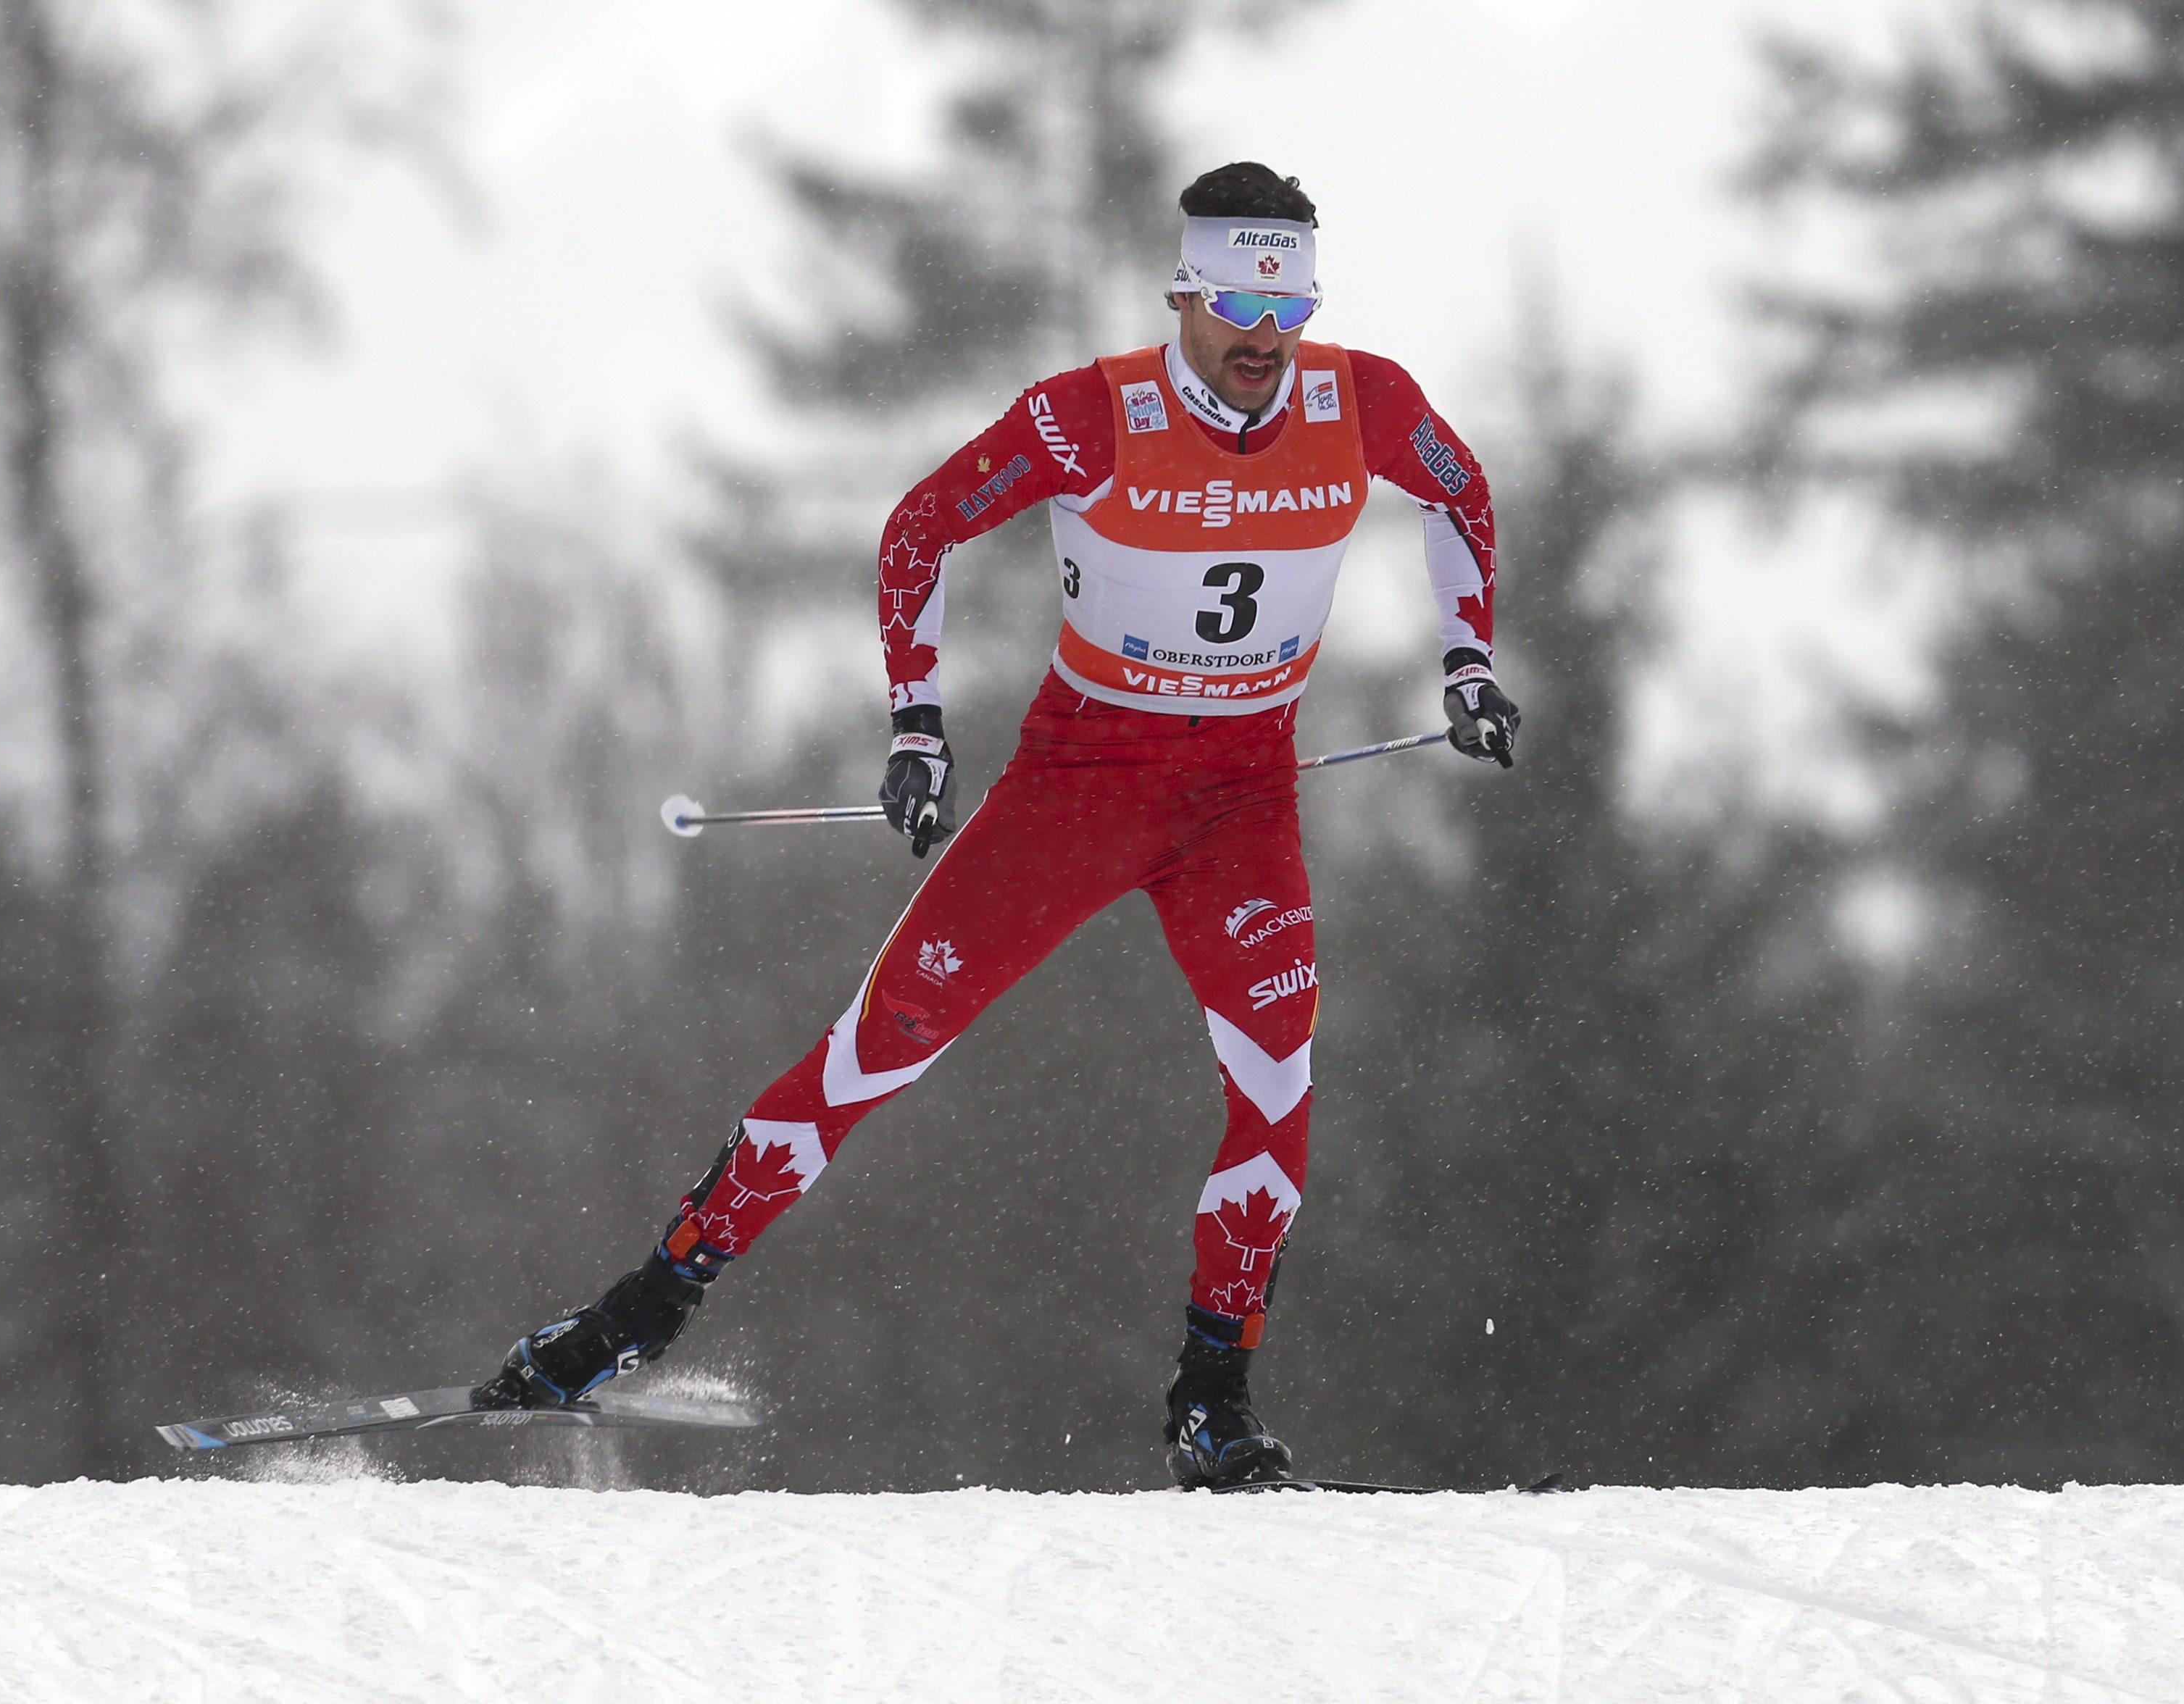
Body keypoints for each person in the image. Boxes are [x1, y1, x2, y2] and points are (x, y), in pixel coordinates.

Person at [476, 162, 1520, 1488]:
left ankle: (1214, 1409)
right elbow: (920, 529)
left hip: (1241, 795)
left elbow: (1460, 493)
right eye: (1245, 298)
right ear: (1187, 293)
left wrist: (1468, 664)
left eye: (1296, 297)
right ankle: (628, 1319)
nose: (1270, 333)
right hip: (1083, 781)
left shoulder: (1359, 398)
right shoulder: (1090, 416)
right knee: (880, 1048)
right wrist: (917, 723)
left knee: (1278, 1080)